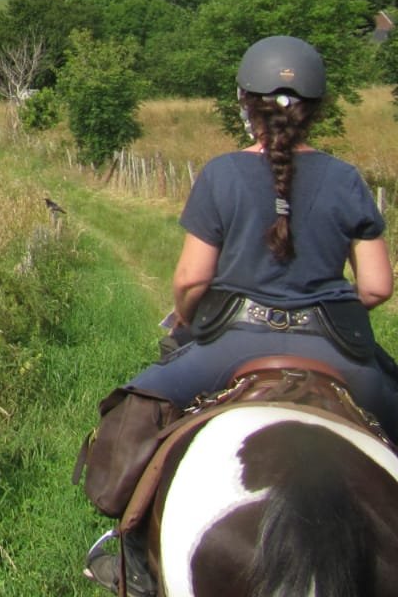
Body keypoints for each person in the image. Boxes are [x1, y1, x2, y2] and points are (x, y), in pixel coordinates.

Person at [84, 35, 398, 596]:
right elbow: (376, 287)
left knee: (132, 410)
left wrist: (187, 321)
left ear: (243, 103)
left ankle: (129, 556)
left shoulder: (222, 174)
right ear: (318, 108)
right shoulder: (348, 178)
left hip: (231, 341)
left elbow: (191, 279)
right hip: (337, 351)